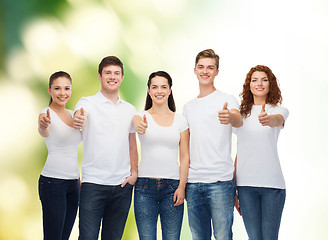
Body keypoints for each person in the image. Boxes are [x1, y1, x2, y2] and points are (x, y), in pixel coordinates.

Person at [73, 56, 138, 240]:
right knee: (87, 237)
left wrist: (134, 173)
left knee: (114, 237)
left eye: (116, 73)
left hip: (122, 185)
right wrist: (78, 118)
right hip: (93, 184)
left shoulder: (130, 109)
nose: (112, 77)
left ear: (122, 77)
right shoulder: (87, 102)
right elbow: (79, 115)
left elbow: (132, 143)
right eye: (108, 73)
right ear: (100, 76)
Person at [183, 49, 243, 240]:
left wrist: (230, 116)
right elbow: (184, 147)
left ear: (217, 71)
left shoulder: (227, 100)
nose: (205, 71)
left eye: (210, 67)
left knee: (223, 236)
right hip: (193, 184)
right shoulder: (188, 107)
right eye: (201, 67)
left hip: (220, 182)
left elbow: (238, 120)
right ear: (194, 70)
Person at [234, 65, 289, 240]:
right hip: (245, 187)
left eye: (264, 80)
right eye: (254, 80)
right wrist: (233, 188)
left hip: (272, 187)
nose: (259, 83)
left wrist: (268, 119)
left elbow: (277, 120)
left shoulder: (278, 110)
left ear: (270, 84)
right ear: (248, 85)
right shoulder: (240, 115)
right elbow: (239, 150)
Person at [133, 71, 189, 240]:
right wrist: (135, 121)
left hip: (172, 188)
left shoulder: (180, 120)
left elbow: (185, 156)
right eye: (155, 87)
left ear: (170, 90)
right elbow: (133, 123)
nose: (159, 91)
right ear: (149, 91)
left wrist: (182, 187)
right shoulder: (140, 117)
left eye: (164, 87)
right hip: (144, 187)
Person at [38, 71, 82, 240]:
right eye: (57, 88)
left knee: (65, 236)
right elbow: (43, 128)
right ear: (50, 90)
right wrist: (43, 124)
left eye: (66, 88)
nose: (62, 93)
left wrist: (78, 181)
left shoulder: (73, 114)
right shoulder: (45, 114)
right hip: (52, 183)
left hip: (73, 184)